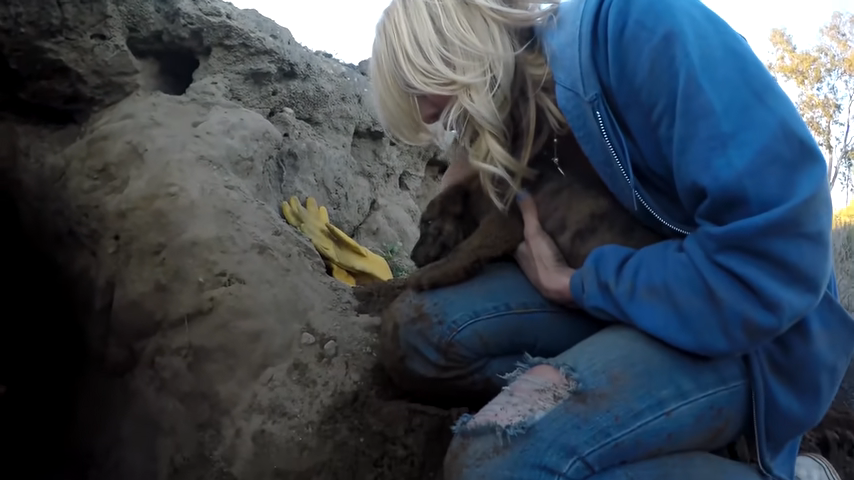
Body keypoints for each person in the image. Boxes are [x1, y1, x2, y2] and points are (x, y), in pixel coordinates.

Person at [368, 0, 854, 479]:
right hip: (640, 299)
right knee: (416, 338)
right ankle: (645, 431)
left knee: (496, 462)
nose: (429, 115)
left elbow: (776, 263)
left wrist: (581, 286)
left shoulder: (641, 27)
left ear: (461, 43)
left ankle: (783, 466)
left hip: (756, 335)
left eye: (421, 86)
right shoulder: (525, 101)